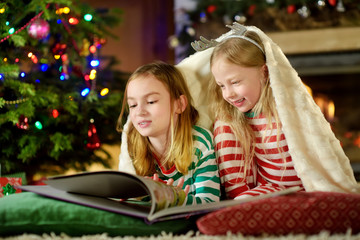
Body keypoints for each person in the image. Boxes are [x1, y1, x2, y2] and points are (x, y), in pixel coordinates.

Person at [191, 22, 360, 199]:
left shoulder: (287, 110)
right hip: (271, 189)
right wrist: (240, 199)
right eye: (221, 86)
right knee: (225, 124)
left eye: (235, 82)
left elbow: (317, 148)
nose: (228, 94)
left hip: (308, 186)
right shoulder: (233, 118)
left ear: (264, 72)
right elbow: (234, 169)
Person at [116, 61, 220, 205]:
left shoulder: (200, 142)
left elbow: (210, 202)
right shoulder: (133, 144)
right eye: (133, 105)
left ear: (179, 104)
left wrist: (174, 198)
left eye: (151, 101)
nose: (139, 111)